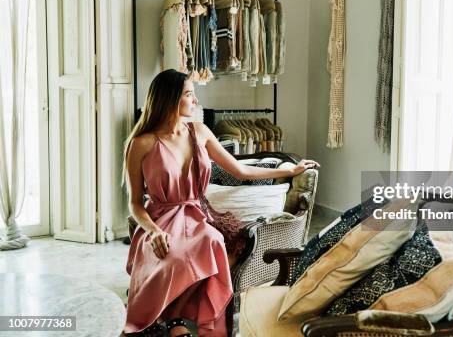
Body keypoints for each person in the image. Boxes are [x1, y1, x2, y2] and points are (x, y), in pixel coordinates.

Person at [122, 69, 319, 337]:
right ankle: (168, 321)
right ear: (169, 100)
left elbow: (240, 170)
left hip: (197, 214)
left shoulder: (199, 131)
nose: (196, 101)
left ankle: (178, 322)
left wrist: (289, 171)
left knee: (212, 241)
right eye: (189, 94)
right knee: (173, 257)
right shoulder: (141, 143)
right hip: (160, 220)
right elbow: (134, 203)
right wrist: (153, 230)